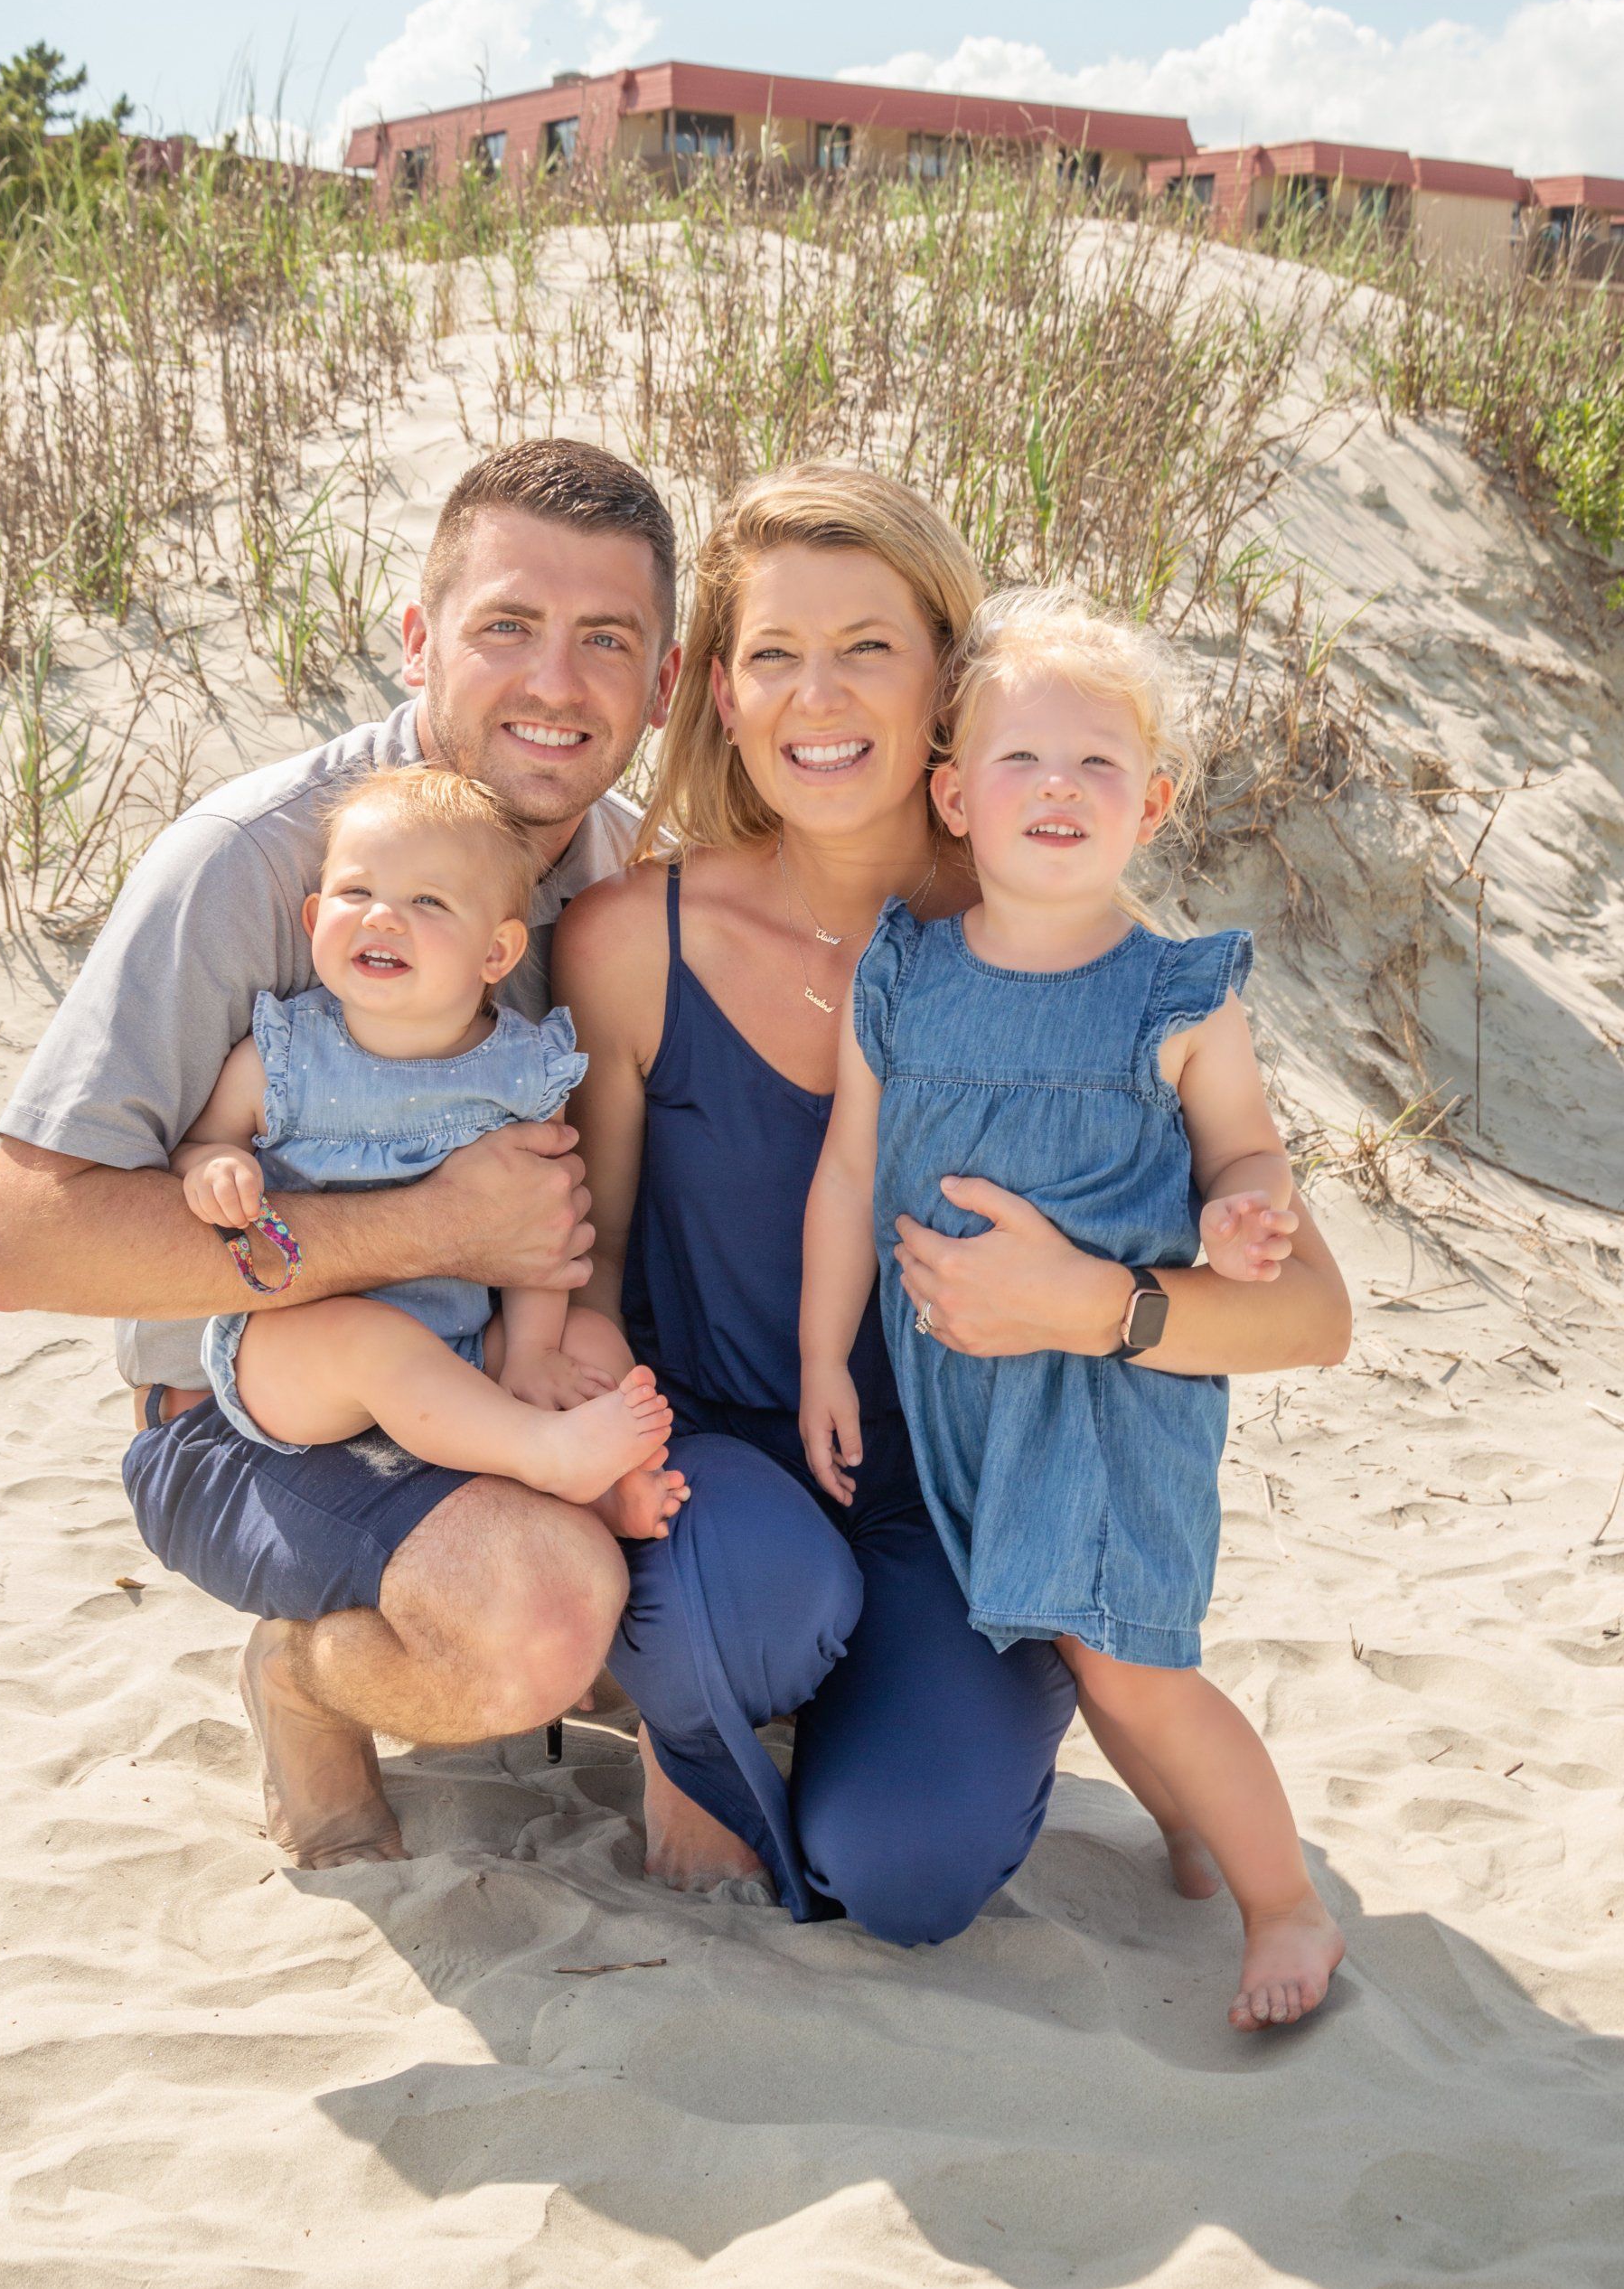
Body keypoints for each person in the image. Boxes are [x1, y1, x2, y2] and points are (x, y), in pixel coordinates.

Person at [556, 464, 1352, 1949]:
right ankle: (695, 1710)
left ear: (946, 687)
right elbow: (585, 1278)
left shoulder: (1062, 932)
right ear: (720, 693)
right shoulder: (631, 941)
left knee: (907, 1871)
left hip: (976, 1505)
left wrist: (1098, 1306)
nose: (819, 693)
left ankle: (939, 1709)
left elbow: (1312, 1312)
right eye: (774, 653)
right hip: (732, 1465)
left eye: (869, 645)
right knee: (749, 1608)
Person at [0, 439, 682, 1871]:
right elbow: (21, 1243)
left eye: (606, 640)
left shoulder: (628, 879)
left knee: (721, 1574)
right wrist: (431, 1226)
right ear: (416, 639)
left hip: (496, 1386)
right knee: (537, 1619)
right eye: (506, 627)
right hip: (247, 1417)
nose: (556, 682)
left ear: (663, 684)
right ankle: (304, 1677)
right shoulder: (267, 862)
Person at [800, 586, 1344, 2025]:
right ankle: (1186, 1827)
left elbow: (1245, 1144)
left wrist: (1243, 1205)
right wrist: (821, 1357)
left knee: (1131, 1665)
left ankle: (1287, 1903)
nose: (1059, 788)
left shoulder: (1175, 990)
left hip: (1110, 1400)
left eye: (1099, 765)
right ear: (954, 794)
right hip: (957, 1395)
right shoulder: (903, 974)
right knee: (1098, 1659)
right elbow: (851, 1165)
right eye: (1022, 761)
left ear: (1151, 803)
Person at [175, 764, 681, 1534]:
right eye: (355, 893)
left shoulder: (520, 1071)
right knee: (375, 1340)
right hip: (299, 1352)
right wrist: (218, 1168)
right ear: (313, 919)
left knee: (588, 1338)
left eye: (428, 902)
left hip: (464, 1340)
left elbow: (544, 1225)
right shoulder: (284, 1056)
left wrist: (533, 1350)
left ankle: (612, 1484)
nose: (382, 917)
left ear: (497, 954)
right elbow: (204, 1143)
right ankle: (544, 1453)